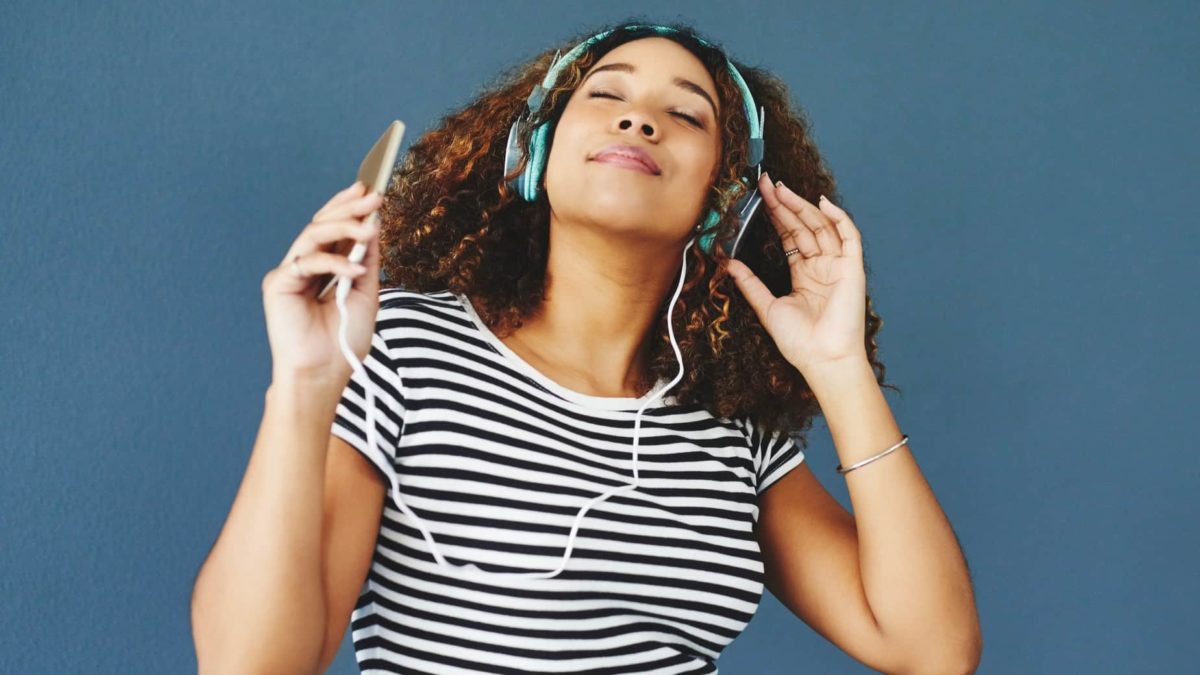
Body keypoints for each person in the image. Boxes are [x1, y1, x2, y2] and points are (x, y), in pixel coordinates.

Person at [191, 20, 982, 675]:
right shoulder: (400, 347)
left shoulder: (730, 422)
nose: (639, 120)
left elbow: (933, 649)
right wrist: (304, 385)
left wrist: (840, 371)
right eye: (606, 94)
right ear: (533, 152)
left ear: (726, 197)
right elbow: (252, 665)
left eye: (687, 114)